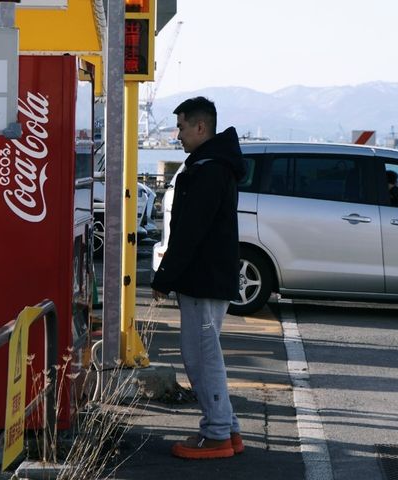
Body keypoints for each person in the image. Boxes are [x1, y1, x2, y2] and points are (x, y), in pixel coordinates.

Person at [151, 96, 247, 459]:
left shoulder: (207, 170)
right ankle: (228, 429)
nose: (177, 135)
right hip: (209, 276)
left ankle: (217, 434)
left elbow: (189, 231)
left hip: (202, 279)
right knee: (206, 354)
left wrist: (164, 277)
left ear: (200, 127)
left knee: (201, 357)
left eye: (180, 127)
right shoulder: (215, 165)